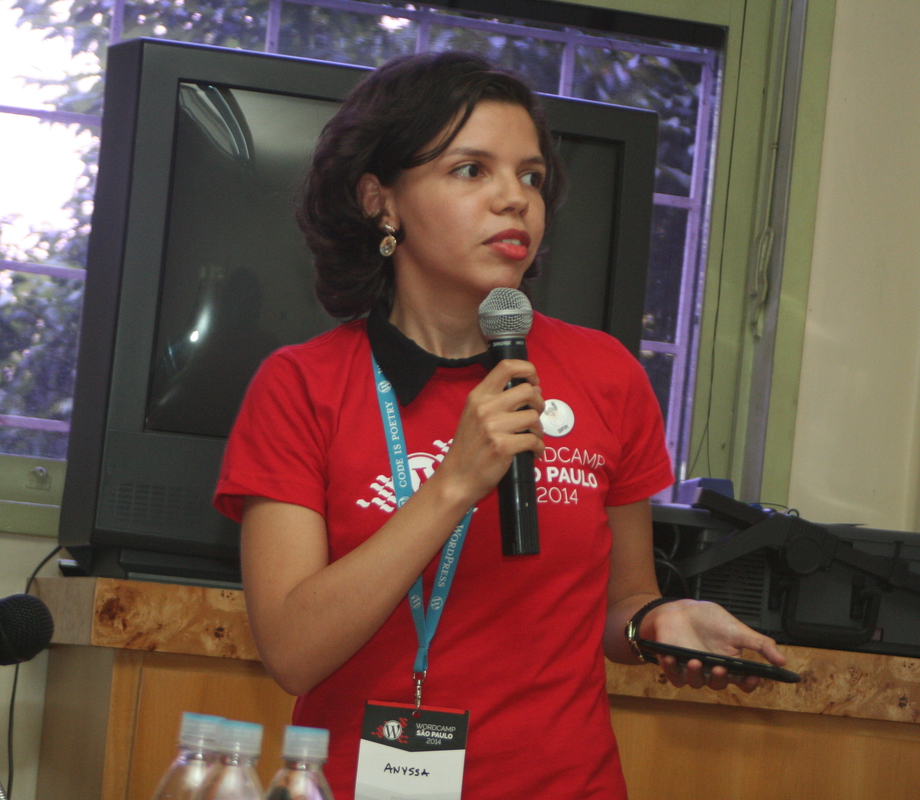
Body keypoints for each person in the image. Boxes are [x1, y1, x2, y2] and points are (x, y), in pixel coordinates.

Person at [214, 51, 786, 799]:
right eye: (470, 170)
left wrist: (658, 623)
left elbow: (622, 602)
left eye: (532, 177)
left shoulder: (605, 375)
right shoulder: (300, 386)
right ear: (381, 201)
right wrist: (453, 484)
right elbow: (293, 652)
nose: (515, 199)